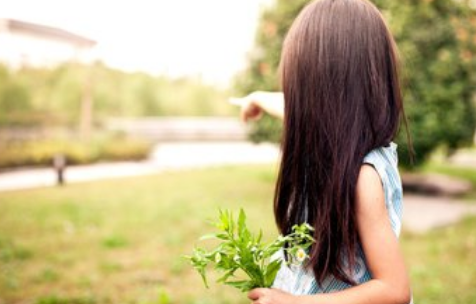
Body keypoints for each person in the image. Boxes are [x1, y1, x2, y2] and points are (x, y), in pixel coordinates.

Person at [235, 0, 413, 303]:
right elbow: (297, 110)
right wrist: (258, 98)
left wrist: (294, 302)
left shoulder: (362, 178)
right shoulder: (335, 139)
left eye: (298, 87)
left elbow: (394, 289)